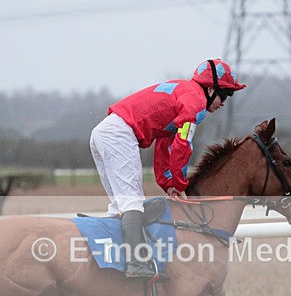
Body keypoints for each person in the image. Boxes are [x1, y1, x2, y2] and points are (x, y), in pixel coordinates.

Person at [90, 58, 246, 278]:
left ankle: (114, 265)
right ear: (211, 89)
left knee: (120, 207)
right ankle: (136, 265)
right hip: (119, 135)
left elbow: (165, 147)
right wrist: (180, 182)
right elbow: (183, 146)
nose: (223, 103)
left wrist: (169, 184)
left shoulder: (185, 92)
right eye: (225, 95)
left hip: (104, 133)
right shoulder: (195, 102)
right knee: (131, 203)